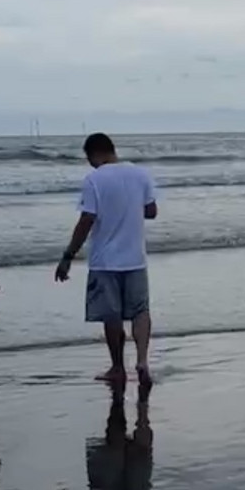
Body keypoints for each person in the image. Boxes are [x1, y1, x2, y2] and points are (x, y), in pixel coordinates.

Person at [55, 132, 158, 393]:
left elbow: (86, 220)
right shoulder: (140, 174)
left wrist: (68, 256)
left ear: (94, 153)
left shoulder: (94, 180)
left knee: (111, 316)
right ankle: (143, 360)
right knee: (141, 310)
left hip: (105, 261)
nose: (89, 163)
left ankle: (118, 368)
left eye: (89, 158)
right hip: (135, 258)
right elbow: (151, 211)